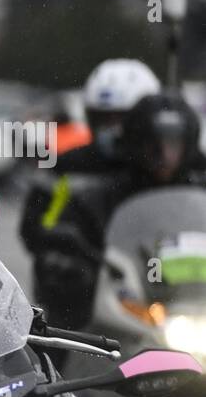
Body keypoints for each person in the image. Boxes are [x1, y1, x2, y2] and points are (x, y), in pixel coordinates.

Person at [29, 92, 206, 330]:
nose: (165, 157)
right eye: (154, 147)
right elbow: (58, 245)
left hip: (189, 312)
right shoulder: (99, 196)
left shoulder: (197, 198)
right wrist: (73, 270)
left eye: (174, 146)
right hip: (124, 317)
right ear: (135, 144)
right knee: (64, 347)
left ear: (189, 147)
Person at [19, 59, 161, 259]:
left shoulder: (160, 168)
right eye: (103, 118)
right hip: (78, 278)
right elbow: (33, 229)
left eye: (122, 119)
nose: (111, 129)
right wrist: (67, 239)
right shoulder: (65, 166)